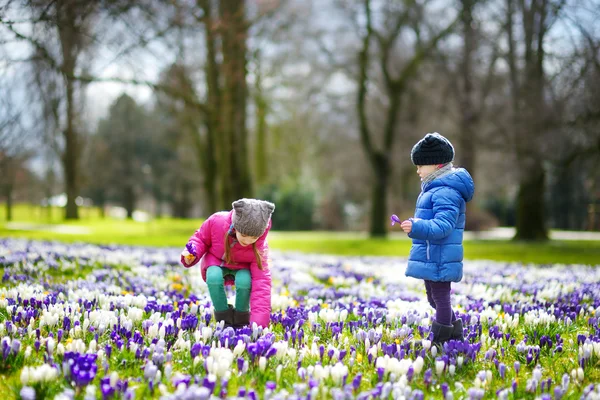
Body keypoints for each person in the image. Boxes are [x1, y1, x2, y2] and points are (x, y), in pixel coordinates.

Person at [391, 132, 474, 345]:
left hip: (441, 256)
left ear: (436, 165)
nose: (417, 170)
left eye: (420, 165)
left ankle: (441, 341)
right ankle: (455, 337)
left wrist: (417, 226)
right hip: (433, 254)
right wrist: (415, 225)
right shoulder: (435, 188)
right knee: (434, 299)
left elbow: (443, 226)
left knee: (441, 299)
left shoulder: (445, 191)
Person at [181, 198, 275, 328]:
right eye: (244, 235)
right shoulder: (217, 222)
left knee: (245, 280)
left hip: (242, 267)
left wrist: (258, 326)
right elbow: (200, 239)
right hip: (217, 261)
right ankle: (223, 318)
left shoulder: (259, 247)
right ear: (236, 226)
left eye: (253, 237)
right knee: (213, 276)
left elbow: (262, 283)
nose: (247, 241)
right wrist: (192, 252)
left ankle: (241, 318)